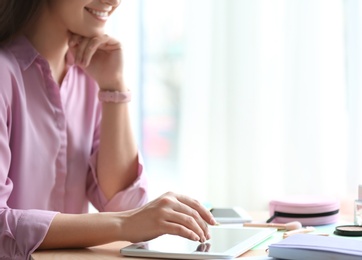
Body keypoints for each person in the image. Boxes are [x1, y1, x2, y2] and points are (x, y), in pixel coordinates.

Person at [0, 0, 216, 259]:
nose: (114, 1)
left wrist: (114, 88)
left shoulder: (89, 76)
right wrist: (124, 223)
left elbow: (126, 204)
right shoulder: (4, 75)